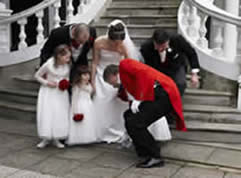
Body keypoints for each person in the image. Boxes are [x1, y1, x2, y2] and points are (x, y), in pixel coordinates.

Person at [103, 59, 186, 168]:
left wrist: (139, 97)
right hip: (155, 95)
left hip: (164, 92)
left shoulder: (125, 65)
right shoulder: (124, 82)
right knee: (128, 116)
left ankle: (155, 156)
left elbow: (143, 74)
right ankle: (143, 152)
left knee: (136, 122)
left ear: (113, 75)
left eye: (110, 82)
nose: (112, 85)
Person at [90, 19, 141, 144]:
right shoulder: (98, 43)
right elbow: (95, 62)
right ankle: (99, 132)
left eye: (119, 42)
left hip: (116, 75)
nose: (117, 45)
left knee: (118, 103)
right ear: (109, 38)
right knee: (100, 103)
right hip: (102, 74)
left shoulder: (123, 46)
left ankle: (119, 130)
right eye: (114, 43)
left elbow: (129, 65)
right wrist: (92, 81)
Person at [140, 28, 200, 96]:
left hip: (176, 65)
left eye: (163, 46)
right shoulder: (146, 47)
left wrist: (194, 74)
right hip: (157, 67)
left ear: (168, 41)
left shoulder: (178, 40)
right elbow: (147, 66)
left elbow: (191, 53)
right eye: (157, 46)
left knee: (180, 83)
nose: (160, 49)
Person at [39, 23, 96, 94]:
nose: (81, 44)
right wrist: (46, 70)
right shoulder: (57, 34)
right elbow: (45, 52)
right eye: (80, 41)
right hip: (63, 69)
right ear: (73, 32)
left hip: (81, 66)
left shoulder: (92, 31)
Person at [35, 44, 71, 149]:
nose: (68, 59)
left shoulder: (67, 66)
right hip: (48, 92)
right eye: (66, 57)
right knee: (48, 113)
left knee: (59, 114)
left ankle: (57, 137)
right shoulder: (48, 64)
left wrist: (65, 83)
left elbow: (67, 77)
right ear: (59, 56)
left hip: (60, 93)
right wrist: (46, 83)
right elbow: (37, 76)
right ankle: (46, 138)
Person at [66, 66, 97, 145]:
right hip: (80, 106)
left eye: (88, 74)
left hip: (88, 105)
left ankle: (87, 137)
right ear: (79, 76)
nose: (87, 77)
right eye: (84, 75)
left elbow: (90, 92)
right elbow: (74, 100)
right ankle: (78, 138)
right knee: (80, 123)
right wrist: (75, 111)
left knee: (88, 122)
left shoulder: (89, 85)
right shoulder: (76, 87)